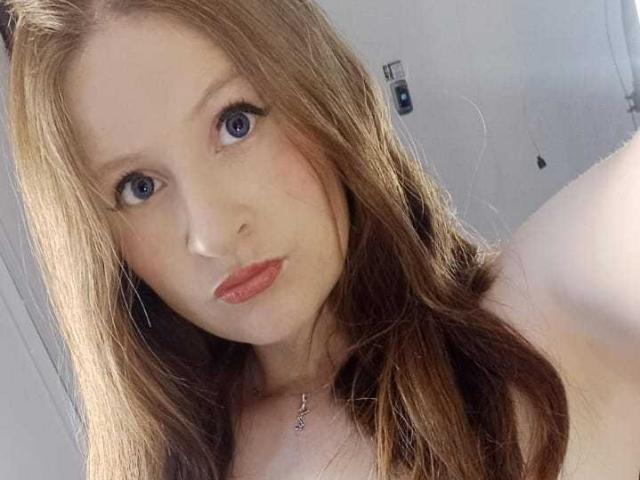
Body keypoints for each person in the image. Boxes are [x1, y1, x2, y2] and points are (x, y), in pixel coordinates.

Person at [3, 1, 638, 479]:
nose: (215, 234)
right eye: (139, 187)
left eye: (235, 123)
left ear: (321, 94)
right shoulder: (173, 458)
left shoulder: (539, 321)